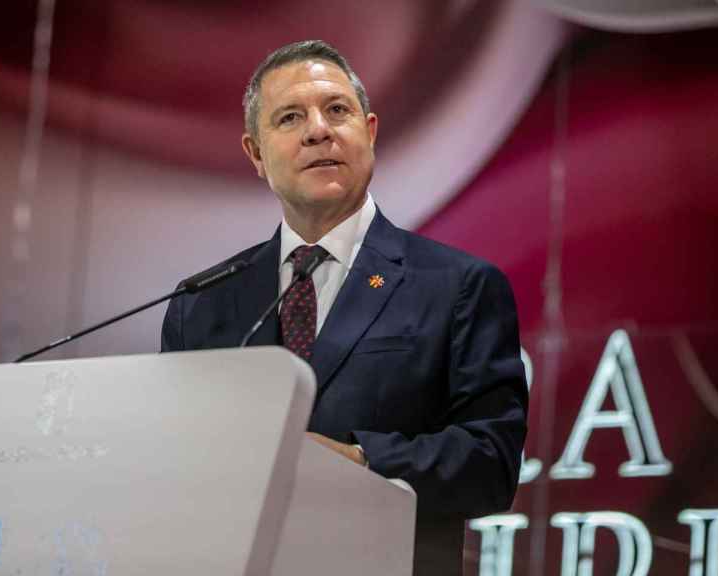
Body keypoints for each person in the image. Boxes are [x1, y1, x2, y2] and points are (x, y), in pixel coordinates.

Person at [161, 40, 528, 575]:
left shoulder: (458, 287)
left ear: (370, 132)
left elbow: (490, 462)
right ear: (256, 154)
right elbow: (170, 473)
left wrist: (360, 460)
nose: (318, 130)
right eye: (290, 117)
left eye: (337, 110)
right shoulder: (202, 302)